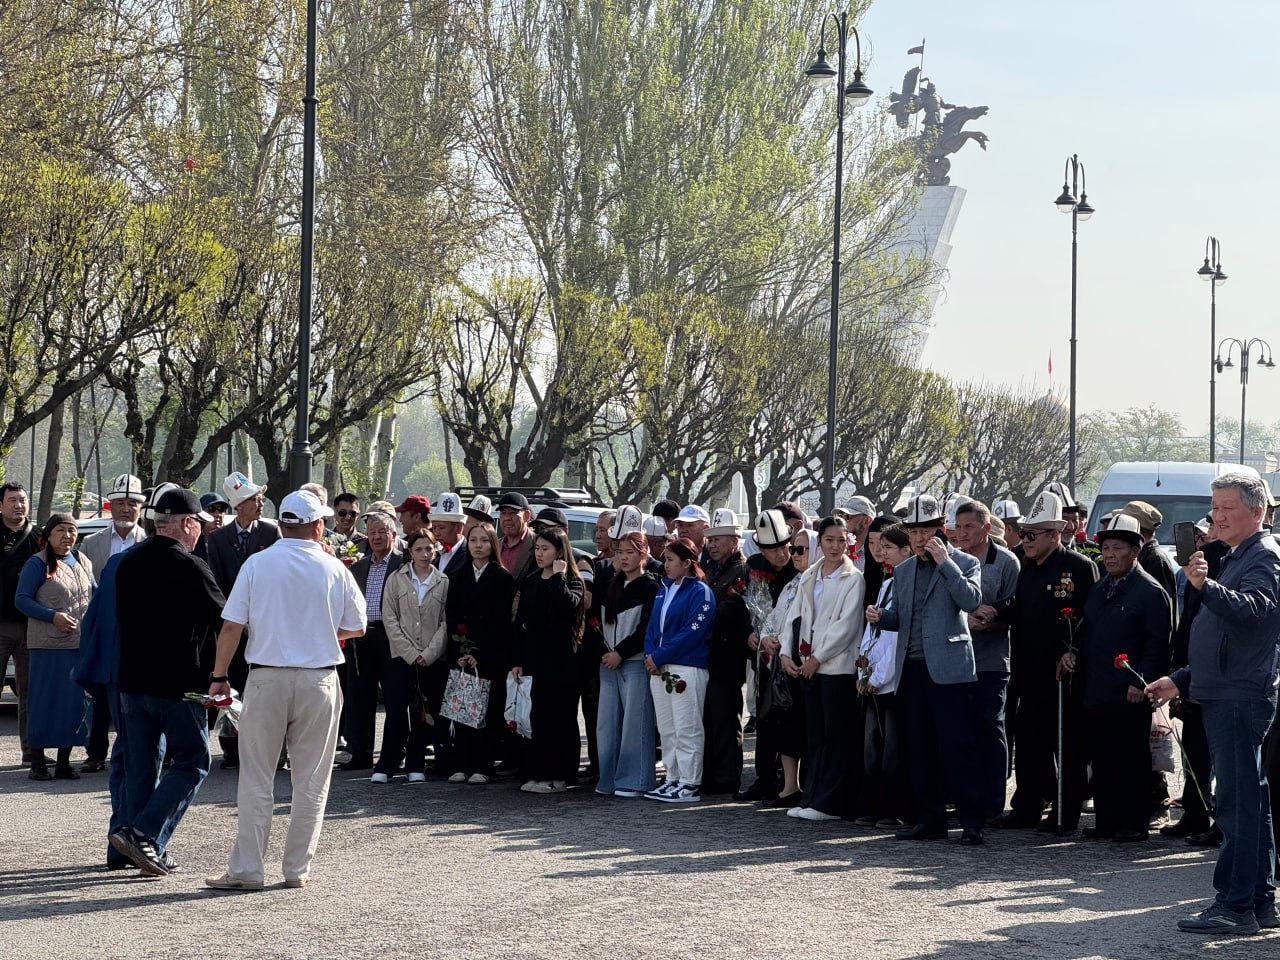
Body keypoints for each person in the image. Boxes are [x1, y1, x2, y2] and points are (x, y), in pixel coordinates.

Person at [205, 489, 366, 892]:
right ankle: (296, 868)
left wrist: (219, 675)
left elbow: (231, 626)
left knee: (256, 776)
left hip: (267, 675)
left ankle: (247, 869)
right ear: (316, 525)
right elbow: (358, 626)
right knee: (311, 778)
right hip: (319, 677)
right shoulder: (334, 568)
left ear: (283, 524)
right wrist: (321, 634)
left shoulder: (258, 563)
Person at [1146, 472, 1280, 935]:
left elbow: (1257, 613)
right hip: (1228, 691)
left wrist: (1207, 587)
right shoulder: (1240, 555)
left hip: (1240, 698)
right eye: (1215, 506)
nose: (1216, 516)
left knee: (1238, 806)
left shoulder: (1262, 555)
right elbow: (1223, 636)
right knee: (1248, 803)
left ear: (1258, 511)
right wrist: (1180, 678)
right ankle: (1257, 903)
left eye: (1226, 507)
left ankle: (1236, 905)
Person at [107, 490, 225, 876]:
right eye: (199, 526)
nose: (201, 534)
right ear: (188, 524)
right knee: (194, 760)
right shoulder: (189, 565)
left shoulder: (128, 562)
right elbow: (225, 619)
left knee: (140, 768)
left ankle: (127, 847)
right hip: (178, 685)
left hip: (131, 682)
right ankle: (146, 834)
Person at [866, 494, 986, 845]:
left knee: (958, 747)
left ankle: (971, 822)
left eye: (927, 530)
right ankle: (930, 818)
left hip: (950, 669)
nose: (920, 538)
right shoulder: (902, 571)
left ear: (941, 530)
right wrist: (881, 618)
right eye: (914, 532)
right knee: (919, 749)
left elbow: (972, 601)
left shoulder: (963, 561)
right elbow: (901, 618)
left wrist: (945, 562)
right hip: (912, 668)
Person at [1058, 514, 1171, 843]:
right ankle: (1107, 820)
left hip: (1129, 691)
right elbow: (1086, 629)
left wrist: (1143, 680)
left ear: (1135, 551)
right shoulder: (1099, 589)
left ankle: (1134, 822)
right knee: (1102, 757)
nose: (1109, 554)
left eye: (1117, 547)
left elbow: (1158, 643)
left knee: (1131, 759)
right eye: (1105, 547)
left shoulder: (1149, 592)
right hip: (1095, 688)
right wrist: (1072, 651)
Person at [1003, 490, 1098, 833]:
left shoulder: (1079, 567)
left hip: (1063, 672)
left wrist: (1074, 650)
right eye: (1024, 533)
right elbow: (1015, 607)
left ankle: (1066, 811)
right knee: (1029, 741)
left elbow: (1091, 617)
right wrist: (994, 614)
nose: (1025, 539)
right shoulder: (1024, 565)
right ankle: (1027, 806)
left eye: (1032, 534)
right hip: (1027, 667)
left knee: (1067, 744)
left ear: (1055, 534)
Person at [778, 516, 865, 821]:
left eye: (842, 540)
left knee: (835, 736)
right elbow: (795, 617)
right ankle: (812, 795)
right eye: (829, 539)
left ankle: (831, 802)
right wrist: (787, 653)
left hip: (836, 668)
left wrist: (818, 657)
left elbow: (846, 626)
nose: (835, 546)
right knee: (815, 735)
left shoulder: (853, 578)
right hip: (807, 666)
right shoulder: (810, 575)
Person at [205, 471, 281, 769]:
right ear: (239, 505)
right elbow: (217, 582)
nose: (260, 503)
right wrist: (236, 617)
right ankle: (232, 749)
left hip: (266, 623)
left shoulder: (271, 533)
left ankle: (267, 748)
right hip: (233, 623)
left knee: (264, 686)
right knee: (232, 685)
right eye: (254, 499)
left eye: (261, 499)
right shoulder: (219, 538)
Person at [953, 500, 1019, 823]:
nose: (962, 533)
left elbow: (1016, 609)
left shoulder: (1006, 562)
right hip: (956, 660)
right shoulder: (951, 560)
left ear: (986, 528)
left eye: (970, 527)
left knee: (991, 726)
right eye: (959, 526)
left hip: (992, 659)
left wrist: (993, 619)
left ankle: (994, 800)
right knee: (961, 729)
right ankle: (965, 797)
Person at [17, 513, 94, 781]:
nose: (67, 536)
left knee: (72, 706)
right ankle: (37, 761)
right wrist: (53, 616)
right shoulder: (36, 564)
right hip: (46, 648)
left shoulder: (83, 562)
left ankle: (64, 762)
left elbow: (94, 597)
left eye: (72, 530)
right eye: (60, 530)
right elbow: (22, 600)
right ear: (48, 536)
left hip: (77, 646)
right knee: (43, 704)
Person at [735, 510, 803, 804]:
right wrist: (750, 633)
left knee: (786, 719)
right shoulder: (753, 565)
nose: (780, 553)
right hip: (762, 656)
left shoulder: (799, 569)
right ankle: (765, 777)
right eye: (772, 548)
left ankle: (788, 781)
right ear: (761, 549)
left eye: (784, 546)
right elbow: (746, 607)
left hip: (789, 655)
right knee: (763, 717)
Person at [512, 526, 585, 793]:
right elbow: (520, 622)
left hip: (562, 662)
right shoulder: (531, 580)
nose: (540, 554)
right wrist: (517, 659)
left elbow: (568, 604)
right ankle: (536, 772)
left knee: (560, 720)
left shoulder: (572, 580)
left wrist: (558, 576)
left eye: (546, 549)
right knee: (536, 718)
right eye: (537, 548)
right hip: (534, 659)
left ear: (559, 552)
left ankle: (560, 776)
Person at [593, 509, 659, 797]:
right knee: (606, 726)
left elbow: (646, 629)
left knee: (636, 724)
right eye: (619, 551)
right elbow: (596, 621)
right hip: (608, 663)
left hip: (632, 663)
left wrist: (620, 652)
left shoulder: (651, 586)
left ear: (643, 554)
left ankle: (635, 780)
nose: (623, 557)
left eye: (630, 552)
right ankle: (607, 779)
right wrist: (606, 652)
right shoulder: (611, 583)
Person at [643, 537, 714, 804]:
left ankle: (690, 782)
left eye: (671, 560)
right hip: (660, 667)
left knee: (687, 726)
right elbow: (653, 625)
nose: (665, 565)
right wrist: (651, 654)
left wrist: (660, 654)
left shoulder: (700, 592)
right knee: (667, 727)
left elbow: (692, 633)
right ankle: (672, 776)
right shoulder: (664, 589)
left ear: (687, 563)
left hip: (687, 666)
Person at [443, 521, 514, 783]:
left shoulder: (502, 577)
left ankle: (483, 765)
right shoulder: (458, 576)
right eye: (473, 540)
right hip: (461, 650)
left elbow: (501, 622)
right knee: (462, 709)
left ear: (493, 544)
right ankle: (461, 763)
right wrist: (459, 650)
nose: (478, 545)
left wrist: (480, 653)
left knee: (487, 711)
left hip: (490, 653)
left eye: (484, 540)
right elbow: (451, 616)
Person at [376, 528, 448, 784]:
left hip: (430, 659)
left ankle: (416, 762)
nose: (424, 553)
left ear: (435, 550)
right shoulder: (397, 579)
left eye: (429, 548)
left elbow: (445, 623)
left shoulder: (443, 582)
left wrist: (428, 654)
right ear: (410, 552)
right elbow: (390, 617)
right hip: (400, 657)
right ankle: (386, 764)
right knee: (396, 712)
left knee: (423, 713)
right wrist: (409, 652)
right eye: (418, 549)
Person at [857, 521, 913, 828]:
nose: (882, 552)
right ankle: (873, 803)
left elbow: (896, 640)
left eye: (889, 547)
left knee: (893, 748)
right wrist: (865, 666)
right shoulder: (888, 583)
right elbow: (874, 629)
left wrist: (878, 677)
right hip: (874, 678)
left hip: (891, 681)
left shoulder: (907, 585)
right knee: (872, 746)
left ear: (906, 550)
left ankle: (894, 807)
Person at [343, 511, 403, 770]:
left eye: (382, 532)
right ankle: (361, 752)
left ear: (393, 535)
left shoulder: (403, 563)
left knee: (394, 698)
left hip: (392, 637)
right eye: (372, 532)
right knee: (360, 696)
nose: (376, 537)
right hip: (363, 637)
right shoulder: (359, 565)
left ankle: (394, 753)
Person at [700, 508, 750, 795]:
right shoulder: (711, 570)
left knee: (725, 718)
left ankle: (726, 776)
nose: (713, 544)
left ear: (735, 540)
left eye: (719, 539)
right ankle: (711, 774)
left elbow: (730, 610)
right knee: (709, 718)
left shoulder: (741, 570)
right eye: (710, 539)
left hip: (727, 655)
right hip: (709, 655)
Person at [0, 482, 40, 764]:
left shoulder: (39, 537)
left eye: (22, 500)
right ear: (0, 505)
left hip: (31, 627)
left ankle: (31, 752)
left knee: (29, 694)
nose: (18, 505)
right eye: (12, 500)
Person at [79, 473, 147, 574]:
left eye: (132, 504)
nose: (125, 509)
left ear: (140, 508)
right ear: (110, 506)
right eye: (120, 503)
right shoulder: (90, 543)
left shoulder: (150, 541)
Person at [431, 492, 468, 577]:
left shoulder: (470, 555)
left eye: (441, 528)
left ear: (458, 528)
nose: (436, 533)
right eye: (434, 528)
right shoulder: (435, 553)